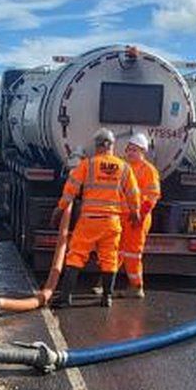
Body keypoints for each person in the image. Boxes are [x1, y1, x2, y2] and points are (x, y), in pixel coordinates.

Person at [50, 128, 141, 308]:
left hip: (90, 220)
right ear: (112, 146)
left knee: (76, 255)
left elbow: (71, 188)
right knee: (109, 258)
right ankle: (106, 298)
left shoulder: (88, 165)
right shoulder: (124, 167)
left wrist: (59, 210)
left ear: (97, 146)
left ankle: (65, 298)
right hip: (112, 222)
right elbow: (133, 192)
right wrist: (135, 212)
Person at [118, 132, 161, 298]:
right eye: (129, 149)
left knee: (132, 253)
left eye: (134, 150)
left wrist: (140, 215)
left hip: (137, 219)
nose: (130, 152)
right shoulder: (123, 167)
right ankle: (108, 281)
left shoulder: (149, 170)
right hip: (121, 216)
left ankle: (136, 287)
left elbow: (152, 196)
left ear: (143, 151)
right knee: (116, 251)